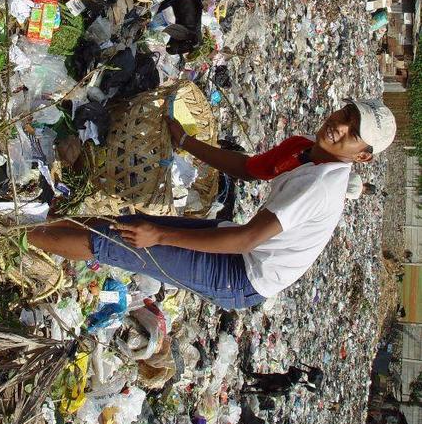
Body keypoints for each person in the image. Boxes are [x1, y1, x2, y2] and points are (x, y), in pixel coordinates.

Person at [28, 98, 396, 310]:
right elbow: (247, 168)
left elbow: (248, 240)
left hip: (242, 276)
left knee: (117, 243)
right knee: (127, 222)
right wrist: (186, 141)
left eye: (354, 134)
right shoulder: (303, 150)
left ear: (362, 157)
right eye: (346, 115)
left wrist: (161, 235)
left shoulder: (321, 185)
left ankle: (14, 235)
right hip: (241, 248)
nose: (340, 127)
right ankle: (35, 220)